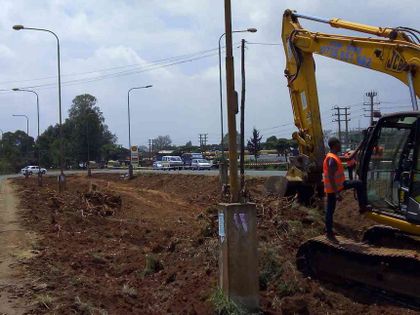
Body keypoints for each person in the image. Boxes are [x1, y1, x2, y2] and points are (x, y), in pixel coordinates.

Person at [323, 137, 371, 239]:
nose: (340, 145)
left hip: (339, 185)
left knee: (358, 183)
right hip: (334, 189)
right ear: (335, 145)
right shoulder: (332, 159)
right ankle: (328, 231)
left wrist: (361, 144)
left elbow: (349, 158)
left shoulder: (333, 156)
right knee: (330, 210)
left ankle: (328, 231)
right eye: (339, 143)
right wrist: (336, 193)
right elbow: (331, 177)